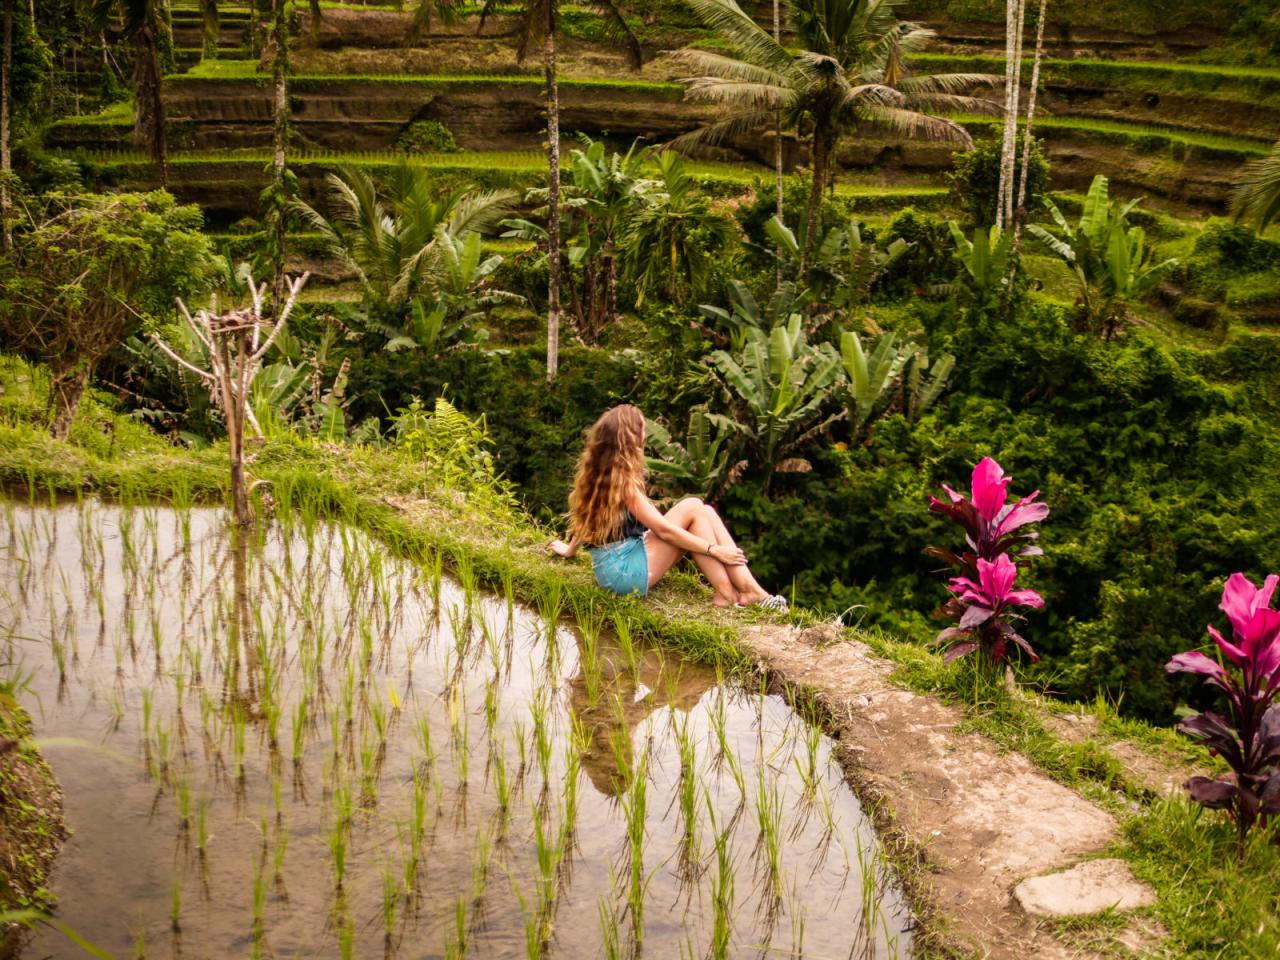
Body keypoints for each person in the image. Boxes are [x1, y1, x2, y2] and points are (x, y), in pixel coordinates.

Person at [549, 404, 787, 611]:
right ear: (631, 437)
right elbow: (664, 531)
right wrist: (714, 550)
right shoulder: (625, 485)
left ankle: (737, 592)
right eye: (642, 428)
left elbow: (587, 519)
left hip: (613, 568)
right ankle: (744, 592)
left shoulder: (600, 474)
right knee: (695, 507)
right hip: (623, 575)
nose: (646, 433)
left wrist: (569, 550)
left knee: (704, 511)